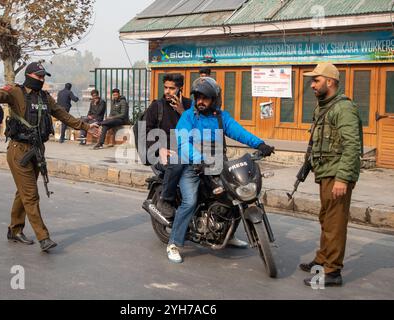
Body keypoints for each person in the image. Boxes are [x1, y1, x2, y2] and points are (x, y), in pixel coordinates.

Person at [0, 62, 97, 252]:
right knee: (31, 195)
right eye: (39, 77)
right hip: (19, 151)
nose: (42, 80)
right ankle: (44, 237)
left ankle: (14, 230)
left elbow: (63, 115)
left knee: (23, 192)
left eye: (43, 77)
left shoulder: (44, 97)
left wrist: (86, 127)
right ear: (29, 76)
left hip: (37, 151)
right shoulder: (16, 92)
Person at [166, 77, 275, 263]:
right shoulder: (188, 117)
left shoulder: (220, 117)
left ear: (214, 99)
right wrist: (199, 159)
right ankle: (174, 243)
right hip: (193, 168)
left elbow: (239, 132)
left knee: (236, 196)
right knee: (190, 201)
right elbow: (183, 142)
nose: (200, 101)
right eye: (198, 97)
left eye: (205, 98)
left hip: (217, 165)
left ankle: (228, 234)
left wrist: (260, 144)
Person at [301, 63, 363, 287]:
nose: (312, 85)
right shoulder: (323, 107)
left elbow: (352, 146)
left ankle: (332, 271)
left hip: (337, 174)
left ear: (330, 81)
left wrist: (343, 178)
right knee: (326, 219)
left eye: (316, 80)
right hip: (326, 172)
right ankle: (322, 259)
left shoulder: (343, 108)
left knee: (335, 223)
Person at [145, 73, 191, 217]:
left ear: (180, 88)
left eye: (172, 88)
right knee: (176, 163)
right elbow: (144, 131)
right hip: (162, 154)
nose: (167, 91)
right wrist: (160, 148)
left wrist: (182, 112)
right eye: (165, 87)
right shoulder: (156, 107)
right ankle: (165, 200)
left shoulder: (189, 105)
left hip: (187, 152)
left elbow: (198, 128)